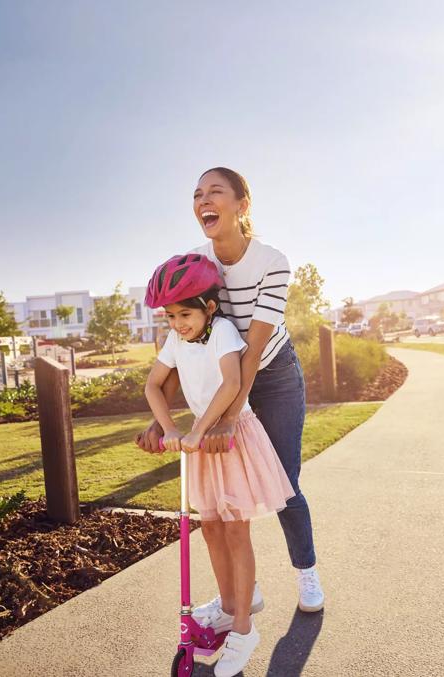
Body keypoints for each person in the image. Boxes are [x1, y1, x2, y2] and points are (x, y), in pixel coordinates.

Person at [137, 167, 325, 618]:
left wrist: (227, 418)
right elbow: (191, 337)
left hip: (272, 372)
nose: (204, 199)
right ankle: (244, 594)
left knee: (283, 480)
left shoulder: (271, 261)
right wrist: (162, 411)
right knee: (224, 498)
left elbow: (253, 347)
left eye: (215, 191)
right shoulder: (197, 263)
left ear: (242, 205)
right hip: (227, 378)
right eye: (197, 193)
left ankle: (306, 570)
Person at [140, 254, 295, 677]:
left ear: (209, 307)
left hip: (232, 436)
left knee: (235, 528)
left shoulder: (223, 330)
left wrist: (200, 429)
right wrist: (171, 428)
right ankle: (229, 608)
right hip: (201, 442)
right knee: (210, 527)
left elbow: (231, 384)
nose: (177, 323)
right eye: (170, 315)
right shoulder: (176, 339)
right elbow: (154, 384)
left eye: (185, 314)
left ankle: (244, 630)